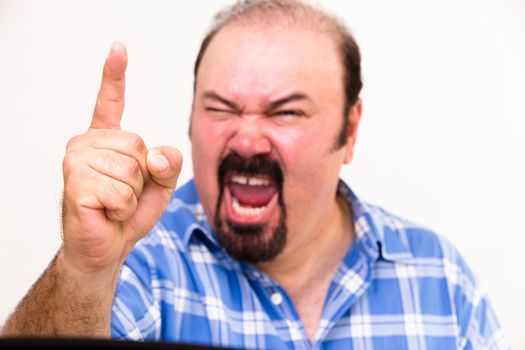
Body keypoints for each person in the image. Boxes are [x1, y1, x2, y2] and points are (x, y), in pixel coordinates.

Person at [1, 0, 508, 349]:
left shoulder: (442, 280)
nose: (245, 140)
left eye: (286, 113)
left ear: (349, 131)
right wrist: (85, 270)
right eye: (220, 108)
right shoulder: (138, 265)